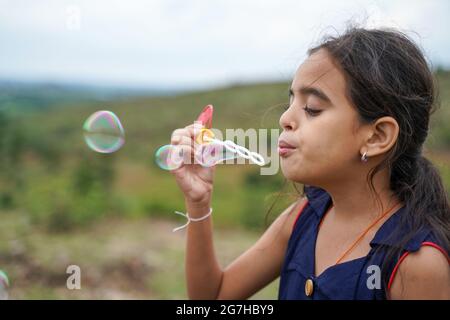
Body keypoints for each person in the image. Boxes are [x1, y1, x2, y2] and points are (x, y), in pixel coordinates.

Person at [169, 27, 450, 300]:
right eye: (290, 102)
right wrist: (198, 201)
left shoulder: (418, 264)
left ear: (377, 136)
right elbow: (213, 296)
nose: (284, 120)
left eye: (312, 109)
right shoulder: (304, 216)